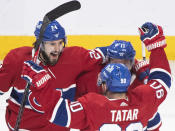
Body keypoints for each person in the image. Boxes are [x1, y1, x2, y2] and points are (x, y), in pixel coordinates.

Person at [21, 22, 171, 130]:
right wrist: (156, 47)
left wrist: (41, 85)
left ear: (103, 85)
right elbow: (162, 80)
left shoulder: (92, 105)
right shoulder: (145, 99)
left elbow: (58, 113)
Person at [0, 20, 109, 131]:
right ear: (40, 43)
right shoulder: (17, 59)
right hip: (24, 127)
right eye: (52, 44)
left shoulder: (74, 57)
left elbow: (104, 53)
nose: (57, 49)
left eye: (60, 43)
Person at [76, 40, 162, 131]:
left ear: (132, 62)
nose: (120, 67)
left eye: (124, 63)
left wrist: (148, 77)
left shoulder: (139, 78)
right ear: (108, 61)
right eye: (115, 62)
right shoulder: (92, 77)